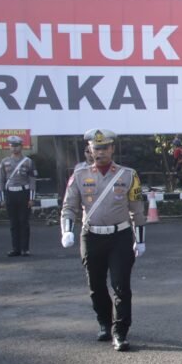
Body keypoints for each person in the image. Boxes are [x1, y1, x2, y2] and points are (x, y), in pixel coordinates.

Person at [60, 128, 146, 351]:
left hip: (120, 236)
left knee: (121, 286)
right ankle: (104, 323)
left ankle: (120, 331)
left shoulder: (128, 175)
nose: (100, 152)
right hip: (92, 236)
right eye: (96, 147)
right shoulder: (79, 175)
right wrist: (67, 230)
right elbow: (68, 207)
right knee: (96, 285)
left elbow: (137, 208)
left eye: (105, 147)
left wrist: (141, 238)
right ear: (89, 149)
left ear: (112, 149)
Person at [0, 134, 37, 258]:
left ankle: (25, 249)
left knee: (23, 222)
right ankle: (16, 248)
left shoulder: (28, 162)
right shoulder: (4, 162)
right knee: (13, 223)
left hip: (23, 193)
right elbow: (1, 181)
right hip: (10, 194)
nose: (14, 148)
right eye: (12, 146)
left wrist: (31, 198)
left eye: (16, 146)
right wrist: (2, 198)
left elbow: (32, 181)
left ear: (21, 146)